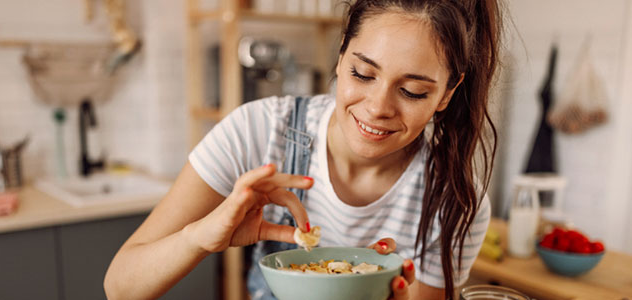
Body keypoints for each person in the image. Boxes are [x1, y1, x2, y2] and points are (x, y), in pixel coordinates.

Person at [104, 0, 502, 299]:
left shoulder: (456, 201)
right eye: (362, 73)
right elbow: (120, 286)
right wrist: (201, 237)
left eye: (413, 91)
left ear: (447, 94)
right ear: (341, 53)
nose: (378, 107)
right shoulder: (259, 131)